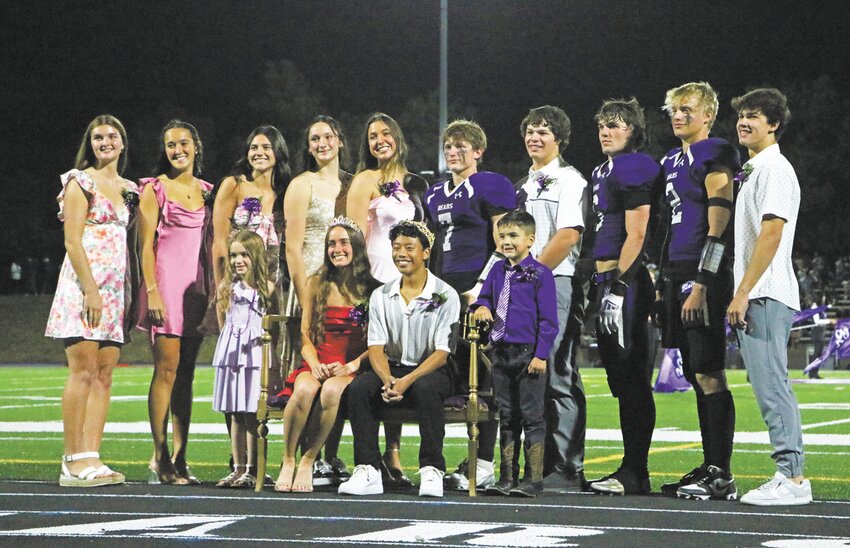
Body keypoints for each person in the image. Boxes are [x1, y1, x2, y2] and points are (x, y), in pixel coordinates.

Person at [726, 88, 812, 506]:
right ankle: (789, 474)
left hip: (763, 293)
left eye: (754, 115)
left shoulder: (774, 168)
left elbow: (772, 233)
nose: (744, 121)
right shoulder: (756, 168)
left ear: (774, 124)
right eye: (742, 115)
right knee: (767, 385)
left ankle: (792, 478)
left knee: (772, 385)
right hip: (759, 292)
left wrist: (743, 291)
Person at [656, 82, 740, 500]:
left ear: (708, 115)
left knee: (708, 370)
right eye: (673, 109)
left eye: (687, 109)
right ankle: (710, 465)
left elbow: (719, 220)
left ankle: (720, 471)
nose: (678, 115)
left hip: (700, 273)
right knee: (693, 370)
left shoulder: (716, 151)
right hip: (675, 271)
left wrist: (703, 282)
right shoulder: (672, 159)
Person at [424, 119, 516, 491]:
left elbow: (504, 239)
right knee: (456, 375)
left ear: (478, 151)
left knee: (485, 375)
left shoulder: (490, 184)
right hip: (444, 292)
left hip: (476, 289)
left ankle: (485, 461)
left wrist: (483, 288)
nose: (454, 151)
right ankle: (465, 459)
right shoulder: (433, 194)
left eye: (462, 145)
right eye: (449, 145)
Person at [45, 114, 136, 487]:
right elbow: (72, 240)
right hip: (86, 288)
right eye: (98, 137)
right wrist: (91, 289)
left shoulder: (130, 187)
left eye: (112, 136)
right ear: (90, 143)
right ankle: (71, 459)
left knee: (104, 376)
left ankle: (91, 457)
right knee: (82, 372)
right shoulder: (79, 181)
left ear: (123, 142)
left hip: (116, 291)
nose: (105, 142)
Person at [338, 221, 460, 498]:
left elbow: (442, 352)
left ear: (426, 252)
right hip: (391, 369)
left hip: (431, 369)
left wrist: (406, 381)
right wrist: (388, 379)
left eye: (409, 247)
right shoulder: (381, 295)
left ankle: (431, 469)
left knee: (428, 389)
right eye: (396, 247)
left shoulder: (445, 295)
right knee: (358, 389)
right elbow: (376, 346)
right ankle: (368, 469)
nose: (401, 253)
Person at [346, 113, 428, 486]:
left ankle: (394, 454)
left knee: (400, 361)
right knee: (371, 369)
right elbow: (354, 235)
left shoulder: (412, 182)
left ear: (397, 136)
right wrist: (360, 285)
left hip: (406, 283)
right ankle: (371, 457)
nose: (379, 140)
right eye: (372, 135)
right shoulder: (365, 180)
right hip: (373, 282)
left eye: (385, 133)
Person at [584, 98, 659, 496]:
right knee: (619, 378)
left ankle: (635, 471)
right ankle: (631, 469)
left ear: (632, 130)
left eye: (614, 125)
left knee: (632, 379)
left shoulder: (634, 165)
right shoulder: (602, 170)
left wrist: (619, 285)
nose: (605, 131)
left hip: (624, 281)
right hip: (606, 281)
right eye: (601, 125)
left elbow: (637, 231)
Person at [275, 218, 380, 493]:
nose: (337, 249)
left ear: (356, 246)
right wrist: (315, 364)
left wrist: (351, 365)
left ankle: (308, 460)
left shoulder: (373, 288)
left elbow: (381, 342)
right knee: (305, 389)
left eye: (344, 242)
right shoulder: (316, 282)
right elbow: (305, 335)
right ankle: (288, 460)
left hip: (350, 367)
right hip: (317, 362)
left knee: (331, 391)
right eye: (331, 244)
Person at [515, 105, 588, 492]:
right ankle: (538, 466)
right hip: (525, 285)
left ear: (559, 138)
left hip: (555, 282)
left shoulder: (569, 180)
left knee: (558, 373)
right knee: (532, 378)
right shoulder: (523, 186)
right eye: (530, 130)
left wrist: (530, 274)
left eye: (544, 131)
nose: (535, 137)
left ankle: (569, 467)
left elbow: (568, 234)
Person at [137, 119, 212, 485]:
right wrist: (151, 290)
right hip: (165, 287)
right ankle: (160, 457)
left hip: (197, 292)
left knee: (186, 375)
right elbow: (144, 246)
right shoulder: (154, 189)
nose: (177, 150)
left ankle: (182, 458)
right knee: (166, 370)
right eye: (170, 144)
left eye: (183, 142)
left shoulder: (209, 192)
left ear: (196, 146)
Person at [283, 115, 353, 485]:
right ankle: (296, 457)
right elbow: (292, 246)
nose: (321, 142)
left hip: (342, 289)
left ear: (340, 140)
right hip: (308, 286)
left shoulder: (352, 184)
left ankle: (328, 458)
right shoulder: (301, 184)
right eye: (314, 138)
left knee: (337, 371)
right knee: (308, 375)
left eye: (328, 135)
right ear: (308, 146)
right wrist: (302, 292)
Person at [472, 210, 558, 497]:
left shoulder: (541, 275)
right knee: (507, 415)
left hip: (528, 354)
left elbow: (548, 321)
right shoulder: (497, 271)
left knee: (532, 416)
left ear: (530, 240)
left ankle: (533, 480)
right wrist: (481, 306)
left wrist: (541, 355)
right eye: (502, 236)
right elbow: (484, 297)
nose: (506, 241)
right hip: (501, 353)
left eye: (513, 236)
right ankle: (508, 477)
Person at [211, 231, 277, 488]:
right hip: (232, 355)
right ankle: (238, 467)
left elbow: (275, 326)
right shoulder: (225, 289)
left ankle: (254, 467)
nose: (238, 260)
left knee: (253, 412)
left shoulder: (267, 289)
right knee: (235, 413)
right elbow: (222, 322)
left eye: (244, 254)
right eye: (234, 255)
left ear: (256, 256)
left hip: (256, 355)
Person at [212, 125, 290, 290]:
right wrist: (222, 288)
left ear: (279, 151)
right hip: (236, 282)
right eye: (254, 148)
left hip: (270, 284)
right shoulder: (234, 185)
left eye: (266, 147)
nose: (259, 153)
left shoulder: (286, 192)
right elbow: (219, 241)